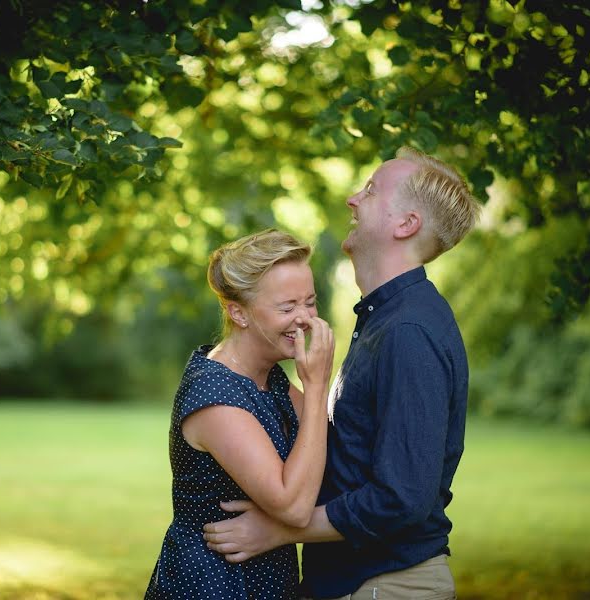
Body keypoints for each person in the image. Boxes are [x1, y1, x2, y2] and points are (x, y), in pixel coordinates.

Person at [203, 147, 482, 599]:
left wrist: (280, 530)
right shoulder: (385, 319)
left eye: (371, 191)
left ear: (405, 225)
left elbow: (402, 498)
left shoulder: (408, 330)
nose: (353, 199)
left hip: (384, 584)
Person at [144, 229, 335, 599]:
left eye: (310, 302)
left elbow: (326, 452)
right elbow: (294, 507)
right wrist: (316, 387)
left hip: (264, 576)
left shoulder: (269, 378)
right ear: (238, 312)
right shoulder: (214, 395)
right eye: (287, 307)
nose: (304, 319)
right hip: (213, 582)